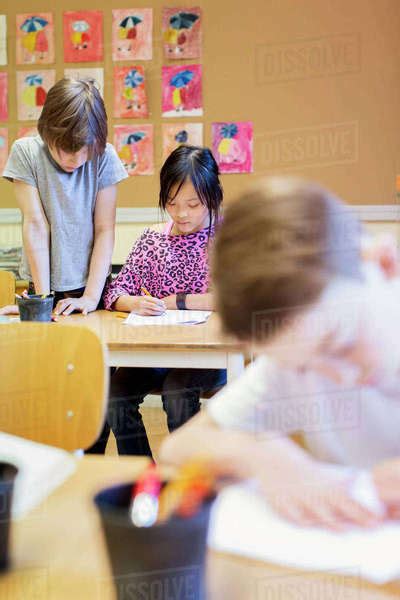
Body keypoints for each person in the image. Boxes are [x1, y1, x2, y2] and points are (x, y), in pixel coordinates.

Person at [160, 176, 400, 530]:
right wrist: (262, 455)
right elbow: (177, 448)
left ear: (383, 262)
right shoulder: (296, 354)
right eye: (302, 368)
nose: (339, 378)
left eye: (340, 345)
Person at [89, 145, 227, 456]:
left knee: (178, 391)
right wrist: (134, 303)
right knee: (116, 394)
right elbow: (115, 293)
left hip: (210, 354)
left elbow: (236, 298)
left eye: (193, 204)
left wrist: (178, 301)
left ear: (213, 197)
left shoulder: (227, 238)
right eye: (172, 203)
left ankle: (190, 481)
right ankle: (142, 478)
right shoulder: (153, 239)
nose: (181, 213)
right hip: (156, 351)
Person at [0, 77, 128, 316]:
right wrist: (42, 301)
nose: (76, 160)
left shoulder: (105, 156)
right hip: (42, 284)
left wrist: (90, 298)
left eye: (85, 152)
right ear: (48, 131)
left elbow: (104, 229)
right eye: (67, 150)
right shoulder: (26, 152)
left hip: (93, 284)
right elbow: (36, 226)